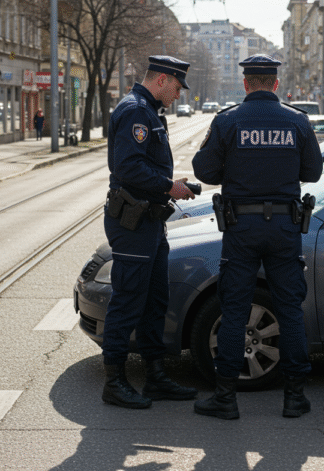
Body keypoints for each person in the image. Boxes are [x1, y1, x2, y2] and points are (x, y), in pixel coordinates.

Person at [191, 54, 324, 420]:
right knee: (289, 310)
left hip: (241, 228)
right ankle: (295, 397)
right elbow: (312, 171)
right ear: (276, 84)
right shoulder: (297, 121)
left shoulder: (228, 120)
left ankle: (226, 397)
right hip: (284, 228)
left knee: (234, 311)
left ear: (247, 83)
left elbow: (204, 170)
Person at [102, 55, 198, 409]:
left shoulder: (149, 111)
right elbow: (128, 167)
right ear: (162, 80)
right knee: (127, 301)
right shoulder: (135, 111)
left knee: (154, 301)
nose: (179, 94)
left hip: (150, 220)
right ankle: (114, 381)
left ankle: (155, 376)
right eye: (177, 86)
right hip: (133, 222)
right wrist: (167, 186)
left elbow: (146, 163)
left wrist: (169, 184)